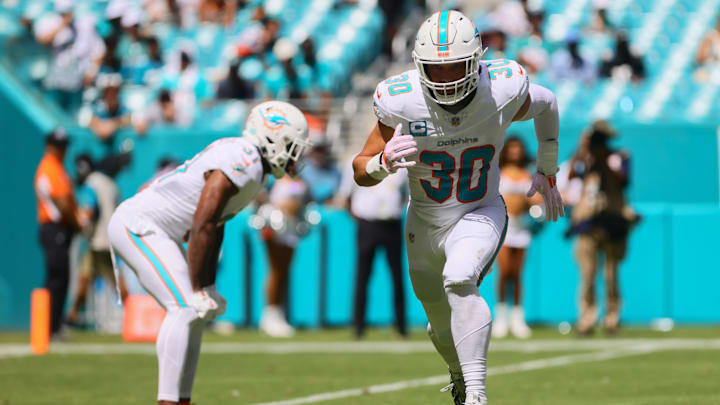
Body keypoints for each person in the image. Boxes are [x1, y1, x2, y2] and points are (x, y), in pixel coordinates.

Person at [352, 10, 564, 405]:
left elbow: (547, 102)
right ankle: (458, 375)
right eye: (436, 69)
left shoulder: (499, 88)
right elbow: (360, 169)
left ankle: (477, 396)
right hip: (424, 221)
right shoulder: (401, 101)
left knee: (460, 277)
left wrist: (548, 167)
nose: (446, 78)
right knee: (438, 324)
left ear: (476, 62)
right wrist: (382, 165)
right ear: (419, 66)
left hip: (479, 208)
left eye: (456, 67)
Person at [107, 101, 311, 404]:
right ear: (272, 136)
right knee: (185, 307)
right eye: (292, 145)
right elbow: (204, 219)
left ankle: (181, 399)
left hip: (160, 231)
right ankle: (169, 402)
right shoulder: (245, 157)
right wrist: (197, 286)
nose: (296, 154)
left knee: (193, 313)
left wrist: (208, 285)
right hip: (140, 226)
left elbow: (216, 224)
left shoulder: (255, 169)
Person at [567, 121, 635, 336]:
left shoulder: (619, 156)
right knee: (587, 273)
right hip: (588, 221)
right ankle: (586, 319)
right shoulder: (583, 158)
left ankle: (612, 318)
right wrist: (582, 148)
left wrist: (603, 160)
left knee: (611, 273)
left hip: (613, 219)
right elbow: (571, 176)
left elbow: (624, 181)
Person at [335, 164, 409, 339]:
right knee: (363, 276)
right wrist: (359, 218)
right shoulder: (358, 161)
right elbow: (345, 196)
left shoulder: (402, 165)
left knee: (397, 276)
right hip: (368, 222)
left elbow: (406, 194)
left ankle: (401, 326)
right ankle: (358, 326)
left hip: (392, 223)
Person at [34, 128, 85, 338]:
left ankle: (51, 325)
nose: (63, 150)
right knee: (57, 277)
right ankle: (50, 326)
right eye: (60, 145)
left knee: (60, 277)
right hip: (55, 228)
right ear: (50, 146)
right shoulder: (49, 168)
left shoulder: (58, 168)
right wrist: (77, 223)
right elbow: (62, 204)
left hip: (59, 228)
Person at [67, 154, 128, 326]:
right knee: (85, 280)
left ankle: (134, 317)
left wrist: (78, 224)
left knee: (116, 285)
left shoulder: (92, 184)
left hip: (98, 241)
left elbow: (89, 211)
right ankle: (71, 317)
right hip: (109, 239)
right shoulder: (112, 185)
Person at [493, 137, 543, 339]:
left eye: (518, 149)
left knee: (517, 273)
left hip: (522, 227)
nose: (515, 152)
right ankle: (501, 317)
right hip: (504, 227)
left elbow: (535, 199)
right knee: (504, 272)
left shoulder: (526, 175)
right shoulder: (498, 173)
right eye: (511, 148)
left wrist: (535, 204)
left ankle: (517, 317)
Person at [257, 176, 312, 337]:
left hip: (291, 227)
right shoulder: (276, 179)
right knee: (275, 270)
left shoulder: (301, 181)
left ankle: (278, 313)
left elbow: (303, 202)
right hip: (276, 226)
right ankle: (270, 314)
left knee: (284, 271)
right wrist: (278, 206)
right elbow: (263, 198)